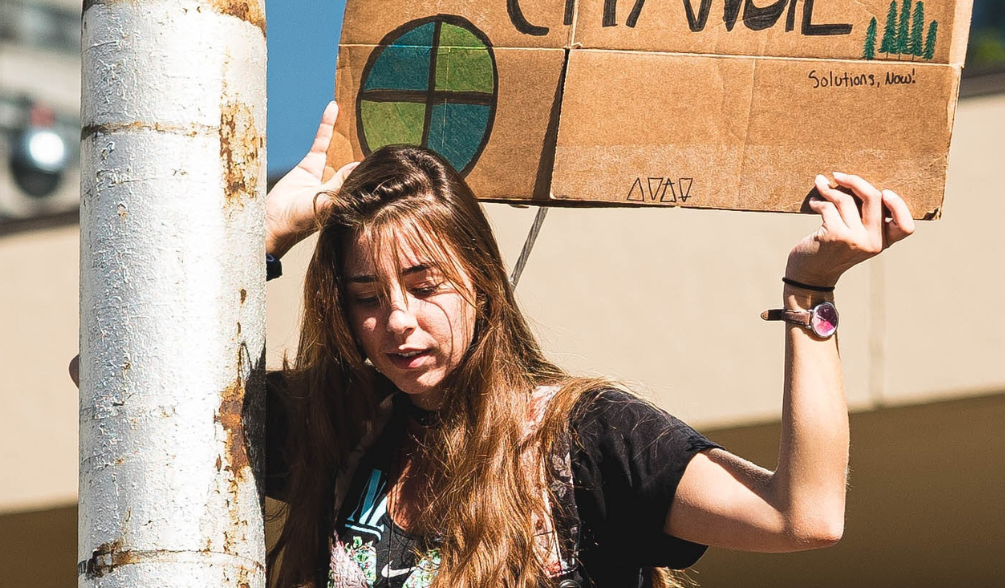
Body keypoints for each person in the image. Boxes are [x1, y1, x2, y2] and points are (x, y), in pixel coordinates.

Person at [260, 101, 916, 588]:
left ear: (483, 283)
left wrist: (810, 288)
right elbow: (164, 395)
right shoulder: (335, 427)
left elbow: (803, 513)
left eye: (425, 285)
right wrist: (260, 236)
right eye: (368, 296)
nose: (398, 320)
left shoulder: (582, 438)